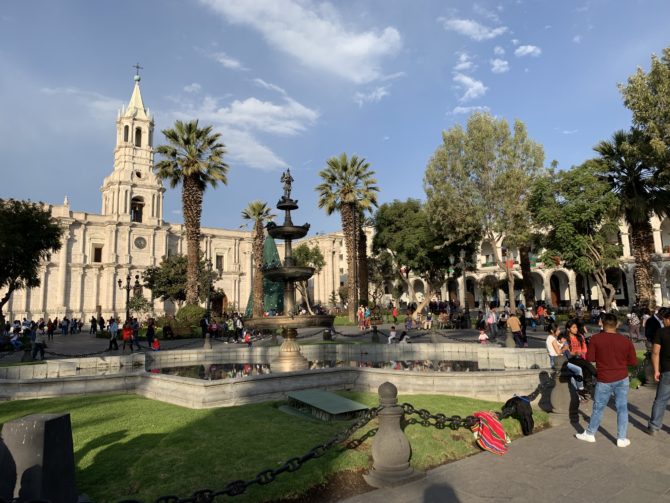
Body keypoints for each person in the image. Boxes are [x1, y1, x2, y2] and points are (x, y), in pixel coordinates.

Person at [575, 313, 637, 447]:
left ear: (602, 324)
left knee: (598, 407)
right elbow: (633, 361)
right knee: (622, 408)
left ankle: (590, 433)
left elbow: (590, 357)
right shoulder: (626, 340)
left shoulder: (596, 339)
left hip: (604, 378)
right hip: (621, 377)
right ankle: (621, 437)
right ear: (617, 325)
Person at [647, 309, 670, 435]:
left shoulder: (661, 332)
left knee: (661, 400)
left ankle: (654, 427)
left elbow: (655, 352)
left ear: (667, 319)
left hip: (667, 370)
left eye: (664, 320)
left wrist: (656, 370)